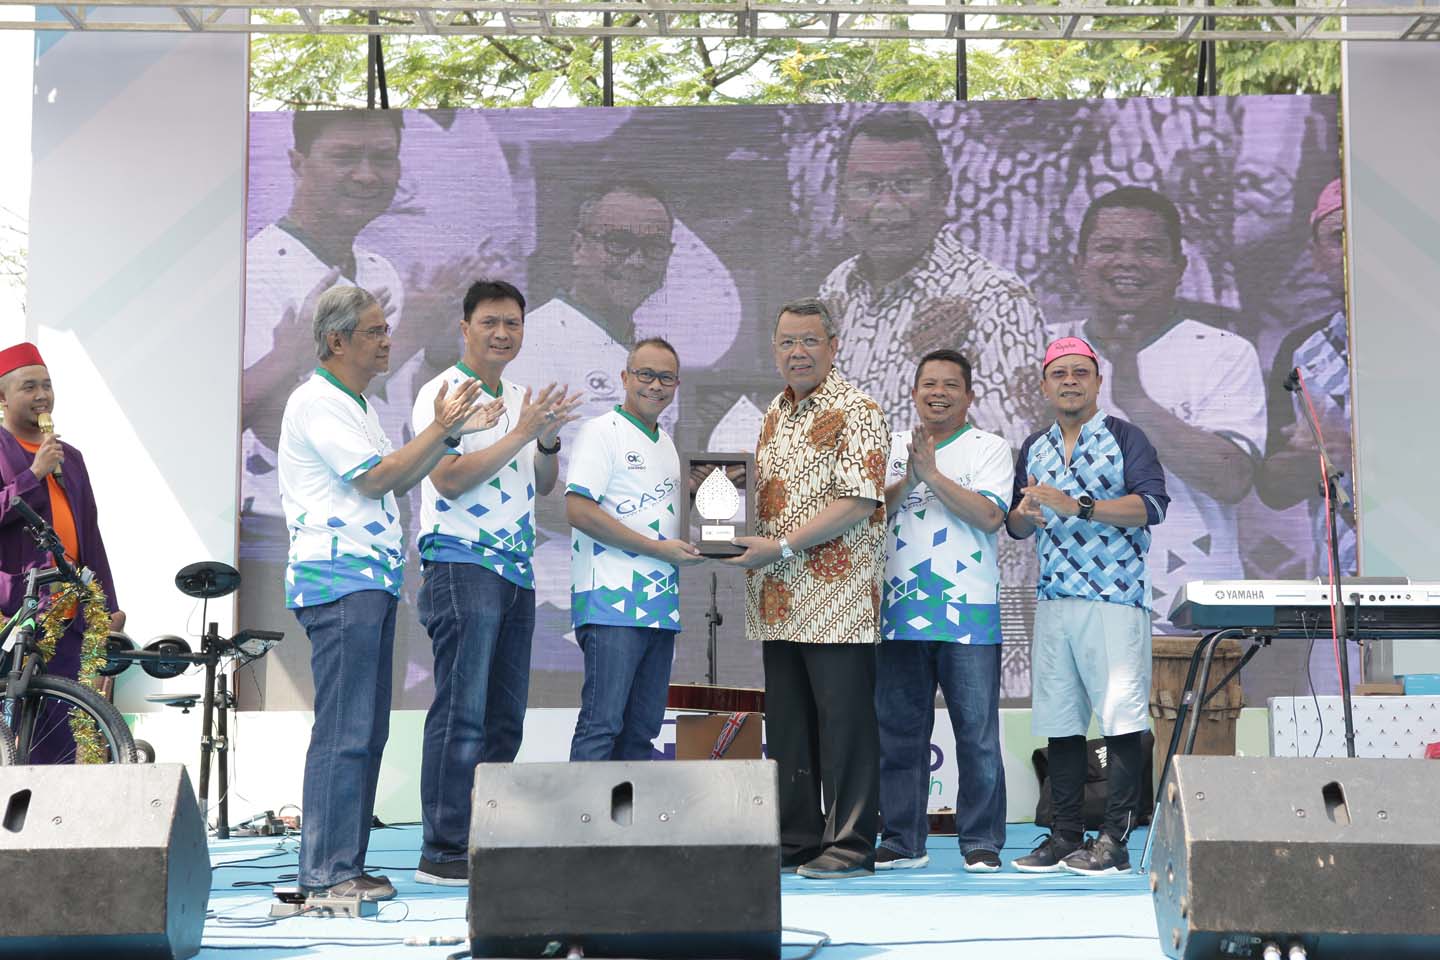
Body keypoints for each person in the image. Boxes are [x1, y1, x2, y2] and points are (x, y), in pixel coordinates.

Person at [278, 285, 498, 900]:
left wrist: (447, 435)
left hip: (370, 579)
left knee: (367, 731)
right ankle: (325, 873)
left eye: (385, 329)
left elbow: (398, 470)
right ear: (336, 340)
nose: (386, 341)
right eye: (374, 331)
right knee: (345, 729)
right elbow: (379, 479)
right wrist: (443, 427)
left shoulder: (358, 405)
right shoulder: (318, 402)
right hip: (339, 578)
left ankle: (344, 866)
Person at [409, 280, 582, 886]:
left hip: (516, 566)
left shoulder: (519, 396)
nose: (502, 333)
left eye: (512, 323)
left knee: (505, 714)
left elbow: (542, 485)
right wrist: (519, 431)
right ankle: (444, 846)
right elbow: (449, 480)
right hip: (461, 562)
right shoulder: (442, 393)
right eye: (490, 322)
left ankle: (487, 829)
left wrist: (548, 439)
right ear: (465, 326)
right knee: (463, 708)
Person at [728, 298, 889, 880]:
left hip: (837, 598)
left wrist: (786, 546)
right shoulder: (774, 411)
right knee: (792, 725)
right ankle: (796, 837)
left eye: (809, 341)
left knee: (843, 724)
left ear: (833, 346)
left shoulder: (858, 408)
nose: (797, 352)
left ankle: (849, 845)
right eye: (787, 342)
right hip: (777, 597)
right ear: (774, 350)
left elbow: (860, 500)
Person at [1050, 186, 1264, 618]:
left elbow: (1233, 480)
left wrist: (1134, 398)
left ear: (1178, 267)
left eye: (1148, 249)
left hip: (1192, 610)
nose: (1127, 261)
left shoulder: (1224, 350)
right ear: (1079, 265)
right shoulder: (1041, 345)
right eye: (1108, 247)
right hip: (1068, 605)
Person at [1007, 336, 1169, 877]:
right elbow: (1015, 523)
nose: (1070, 381)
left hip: (1114, 599)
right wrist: (1028, 513)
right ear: (1045, 384)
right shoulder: (1034, 446)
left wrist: (1077, 504)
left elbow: (1150, 507)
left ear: (1098, 381)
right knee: (1062, 723)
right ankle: (1063, 836)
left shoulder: (1126, 437)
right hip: (1054, 599)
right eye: (1060, 373)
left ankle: (1114, 842)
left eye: (1081, 372)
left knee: (1121, 720)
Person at [509, 181, 685, 623]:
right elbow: (517, 485)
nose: (636, 261)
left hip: (640, 585)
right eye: (618, 243)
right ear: (577, 247)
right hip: (556, 594)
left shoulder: (649, 359)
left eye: (653, 248)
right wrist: (630, 526)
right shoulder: (536, 344)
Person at [817, 110, 1047, 442]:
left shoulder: (997, 297)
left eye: (906, 185)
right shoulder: (837, 286)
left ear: (943, 193)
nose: (886, 204)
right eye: (867, 187)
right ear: (841, 197)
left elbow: (1003, 444)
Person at [876, 349, 1012, 874]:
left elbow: (989, 515)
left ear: (969, 395)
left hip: (968, 614)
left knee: (976, 735)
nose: (939, 392)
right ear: (913, 393)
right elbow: (869, 515)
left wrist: (931, 475)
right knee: (899, 732)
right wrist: (908, 478)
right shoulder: (890, 448)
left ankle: (981, 840)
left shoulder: (990, 448)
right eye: (928, 383)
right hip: (897, 612)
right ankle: (902, 839)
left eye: (950, 385)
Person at [565, 337, 702, 761]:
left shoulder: (667, 444)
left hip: (660, 607)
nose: (654, 385)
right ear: (625, 378)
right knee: (602, 723)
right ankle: (583, 825)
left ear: (676, 385)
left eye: (665, 378)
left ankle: (628, 827)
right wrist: (657, 549)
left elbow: (664, 517)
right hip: (612, 601)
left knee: (641, 731)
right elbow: (577, 508)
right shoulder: (600, 431)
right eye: (645, 374)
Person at [0, 342, 125, 763]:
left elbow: (90, 536)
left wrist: (107, 603)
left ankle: (62, 820)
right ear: (2, 398)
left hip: (69, 607)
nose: (42, 395)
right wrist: (32, 476)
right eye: (29, 387)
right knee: (17, 723)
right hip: (16, 608)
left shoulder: (69, 458)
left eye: (47, 386)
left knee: (67, 723)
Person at [1256, 178, 1355, 575]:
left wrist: (1356, 447)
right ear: (1315, 256)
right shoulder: (1303, 351)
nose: (1355, 249)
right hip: (1344, 597)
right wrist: (1313, 458)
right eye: (1339, 236)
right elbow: (1273, 488)